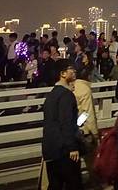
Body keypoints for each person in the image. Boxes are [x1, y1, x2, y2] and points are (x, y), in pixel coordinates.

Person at [42, 60, 83, 189]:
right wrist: (72, 146)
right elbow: (66, 122)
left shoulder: (51, 95)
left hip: (51, 148)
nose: (74, 71)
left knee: (55, 184)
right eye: (71, 69)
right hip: (64, 150)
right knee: (74, 184)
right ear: (63, 74)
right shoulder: (66, 95)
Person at [73, 62, 100, 188]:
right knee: (92, 160)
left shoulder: (72, 86)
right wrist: (95, 132)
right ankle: (95, 183)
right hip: (84, 130)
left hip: (72, 129)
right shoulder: (85, 89)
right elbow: (87, 113)